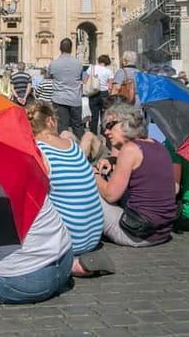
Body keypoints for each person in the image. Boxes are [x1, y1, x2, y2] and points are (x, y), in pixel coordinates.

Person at [27, 102, 109, 277]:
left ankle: (63, 263)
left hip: (70, 239)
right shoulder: (72, 147)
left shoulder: (38, 151)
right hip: (94, 235)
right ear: (50, 122)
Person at [93, 100, 177, 247]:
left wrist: (93, 175)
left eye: (110, 126)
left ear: (126, 123)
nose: (106, 132)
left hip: (136, 233)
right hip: (162, 232)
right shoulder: (158, 146)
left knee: (85, 190)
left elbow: (110, 195)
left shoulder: (130, 150)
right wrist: (114, 160)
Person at [49, 38, 84, 139]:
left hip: (59, 99)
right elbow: (80, 78)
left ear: (60, 48)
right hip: (75, 99)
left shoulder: (54, 63)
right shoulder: (78, 63)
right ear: (71, 48)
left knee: (62, 127)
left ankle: (64, 150)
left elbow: (50, 76)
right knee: (78, 126)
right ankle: (82, 149)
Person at [84, 55, 114, 135]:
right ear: (107, 62)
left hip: (93, 93)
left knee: (94, 116)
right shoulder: (109, 71)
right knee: (104, 116)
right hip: (104, 93)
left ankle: (93, 134)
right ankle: (104, 133)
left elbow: (85, 80)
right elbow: (110, 85)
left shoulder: (92, 68)